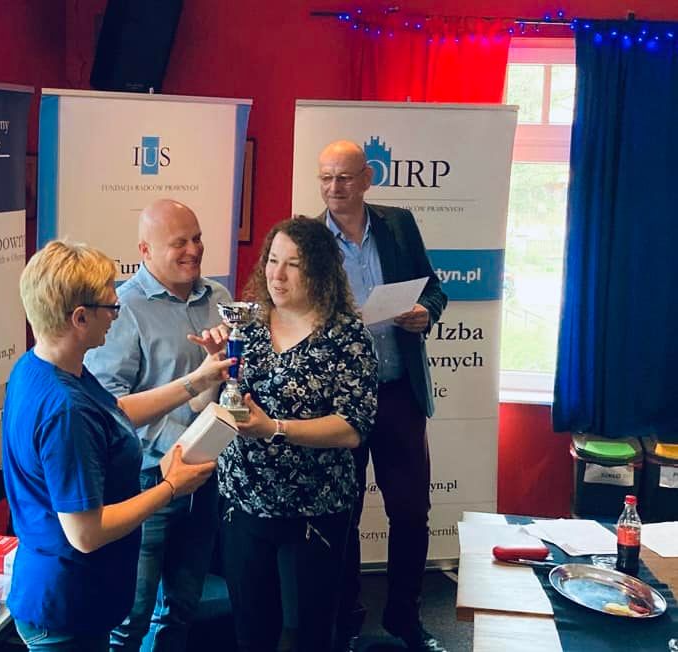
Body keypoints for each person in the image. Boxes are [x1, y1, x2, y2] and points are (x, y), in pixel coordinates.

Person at [3, 240, 233, 651]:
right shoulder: (65, 410)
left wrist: (196, 380)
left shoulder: (41, 367)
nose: (116, 314)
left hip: (67, 596)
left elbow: (114, 412)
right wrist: (171, 487)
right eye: (110, 307)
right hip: (67, 610)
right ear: (79, 317)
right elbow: (85, 532)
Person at [211, 217, 379, 652]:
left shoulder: (348, 337)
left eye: (294, 265)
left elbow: (353, 428)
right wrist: (210, 372)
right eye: (272, 261)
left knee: (310, 631)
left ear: (319, 271)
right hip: (244, 499)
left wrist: (274, 429)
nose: (277, 275)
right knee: (251, 631)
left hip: (316, 505)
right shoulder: (245, 328)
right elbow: (208, 407)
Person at [316, 140, 448, 652]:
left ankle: (405, 619)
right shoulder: (311, 241)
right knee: (342, 515)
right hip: (340, 402)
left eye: (344, 177)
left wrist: (426, 314)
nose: (333, 188)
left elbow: (434, 289)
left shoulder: (398, 225)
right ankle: (345, 621)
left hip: (398, 395)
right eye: (325, 178)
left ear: (367, 179)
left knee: (411, 512)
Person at [85, 198, 233, 652]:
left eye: (197, 238)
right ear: (145, 251)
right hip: (145, 481)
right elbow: (108, 409)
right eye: (179, 243)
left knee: (182, 609)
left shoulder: (221, 300)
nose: (194, 250)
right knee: (129, 617)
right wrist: (192, 392)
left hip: (205, 478)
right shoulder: (122, 310)